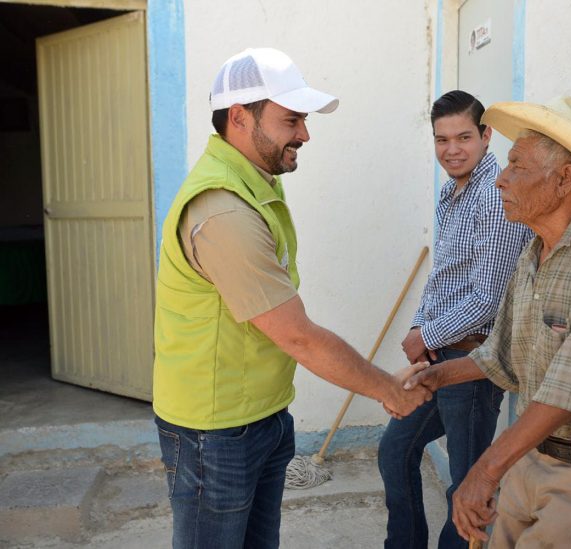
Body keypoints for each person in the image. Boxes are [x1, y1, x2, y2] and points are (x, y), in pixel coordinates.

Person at [152, 48, 431, 549]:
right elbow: (298, 336)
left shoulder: (252, 186)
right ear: (239, 117)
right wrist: (388, 388)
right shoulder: (223, 212)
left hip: (260, 416)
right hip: (215, 432)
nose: (304, 133)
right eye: (291, 119)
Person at [404, 96, 571, 548]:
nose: (500, 179)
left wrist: (485, 471)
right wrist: (433, 377)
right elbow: (501, 357)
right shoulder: (533, 250)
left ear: (564, 179)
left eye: (517, 166)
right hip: (533, 459)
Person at [378, 90, 533, 549]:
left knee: (467, 486)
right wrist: (417, 329)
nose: (452, 149)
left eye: (464, 136)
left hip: (473, 362)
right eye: (441, 139)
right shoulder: (451, 192)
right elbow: (444, 275)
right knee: (395, 452)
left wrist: (429, 333)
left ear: (486, 136)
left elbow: (488, 299)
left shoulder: (496, 195)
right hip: (438, 355)